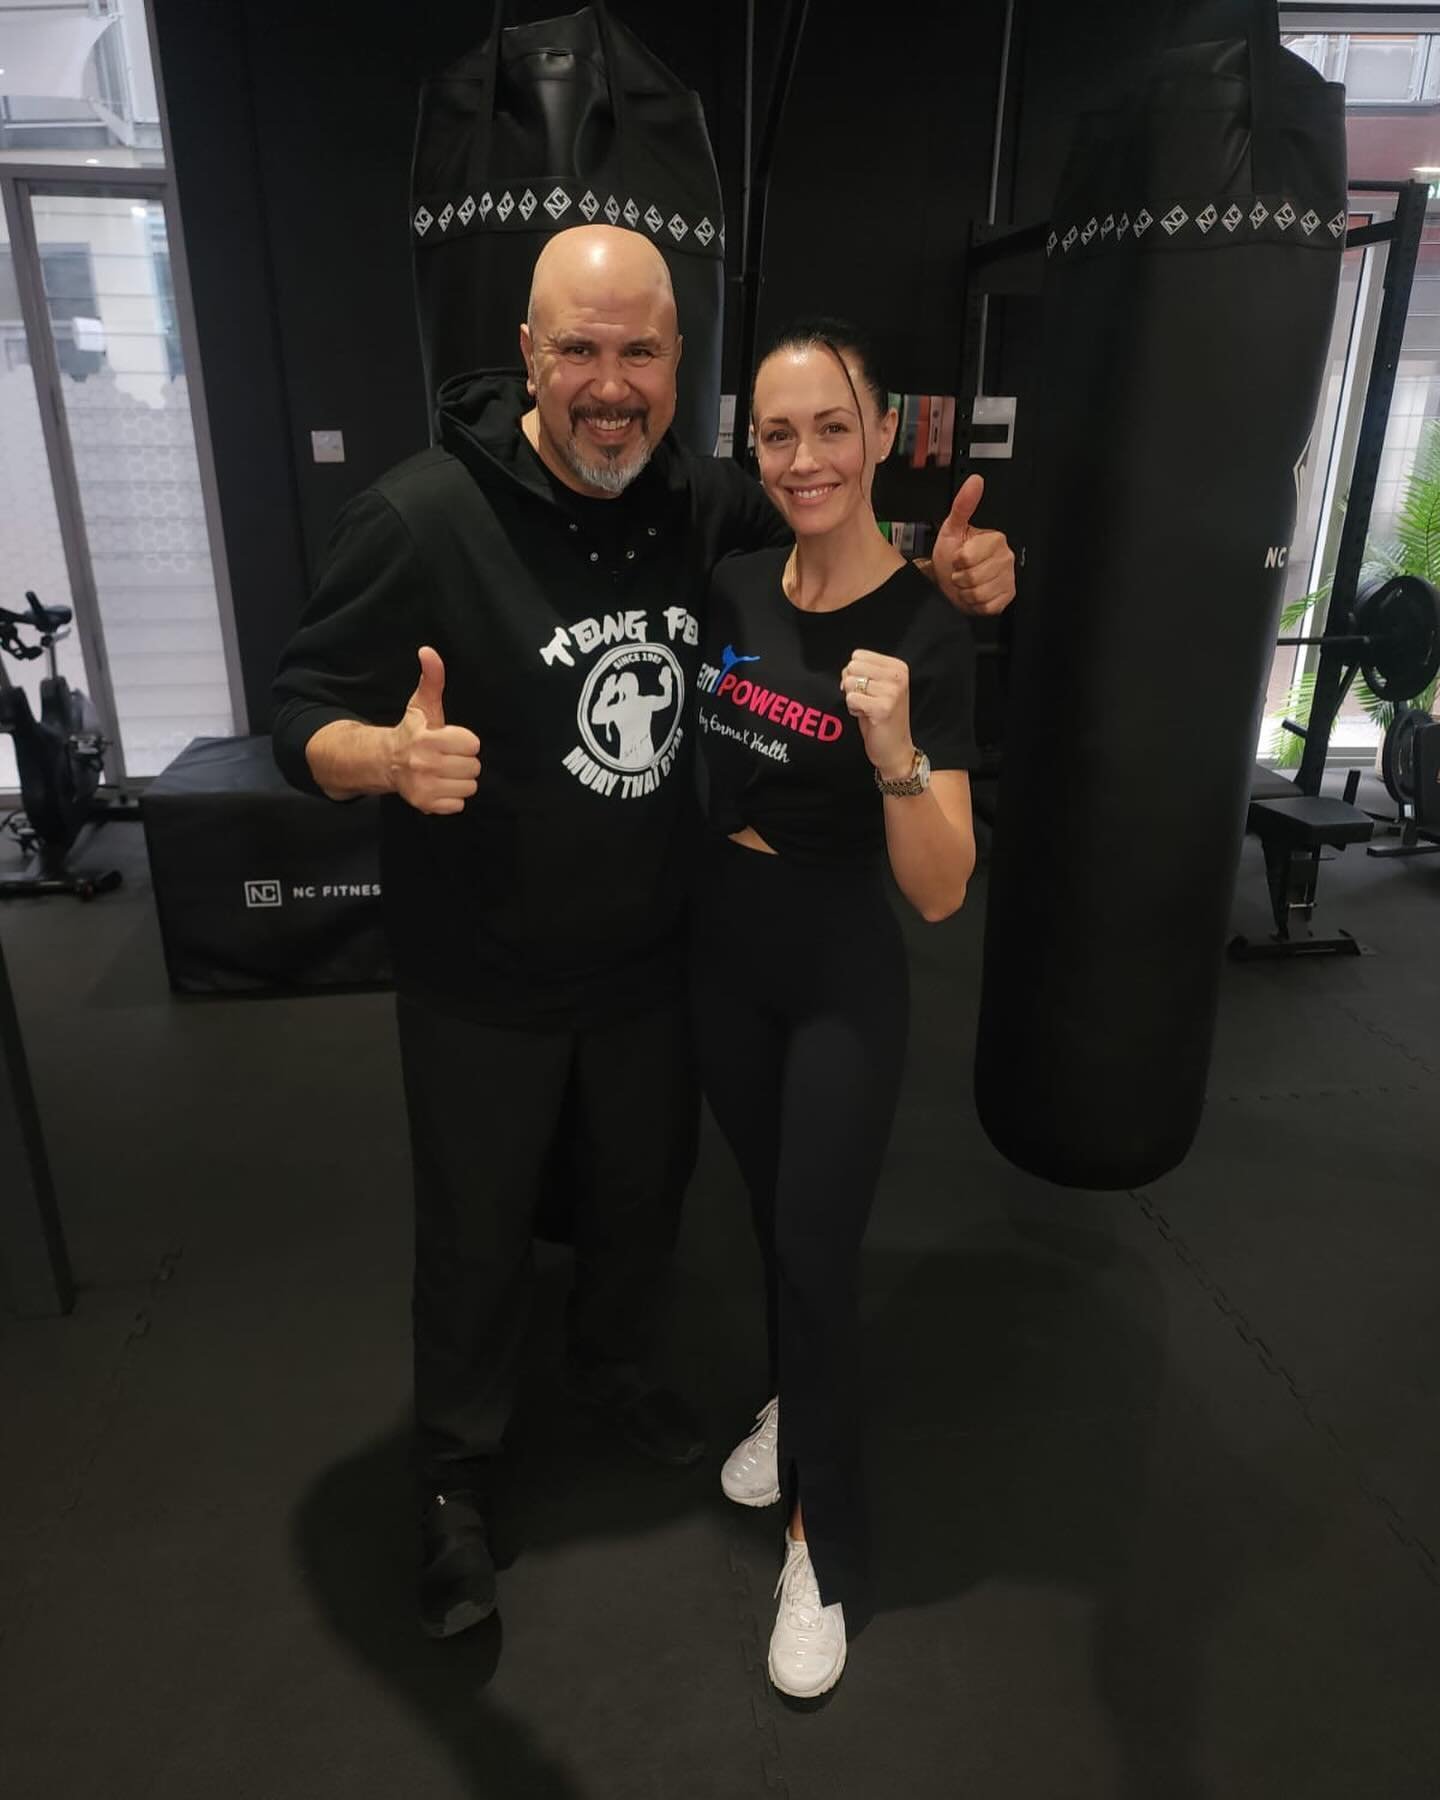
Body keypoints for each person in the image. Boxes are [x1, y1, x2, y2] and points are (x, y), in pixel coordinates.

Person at [270, 226, 1014, 1641]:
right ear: (530, 358)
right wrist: (380, 758)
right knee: (477, 1237)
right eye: (581, 351)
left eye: (641, 352)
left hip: (662, 960)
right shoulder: (419, 518)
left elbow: (830, 540)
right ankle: (451, 1486)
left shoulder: (704, 508)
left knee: (639, 1198)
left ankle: (612, 1370)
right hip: (479, 968)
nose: (611, 384)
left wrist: (959, 576)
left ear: (680, 362)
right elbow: (297, 707)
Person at [691, 320, 979, 1699]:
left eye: (829, 428)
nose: (804, 457)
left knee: (816, 1247)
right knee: (770, 1215)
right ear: (757, 453)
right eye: (777, 435)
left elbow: (939, 893)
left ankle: (825, 1544)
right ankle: (794, 1392)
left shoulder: (928, 624)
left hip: (836, 968)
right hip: (721, 953)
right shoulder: (734, 587)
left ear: (878, 436)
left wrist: (895, 754)